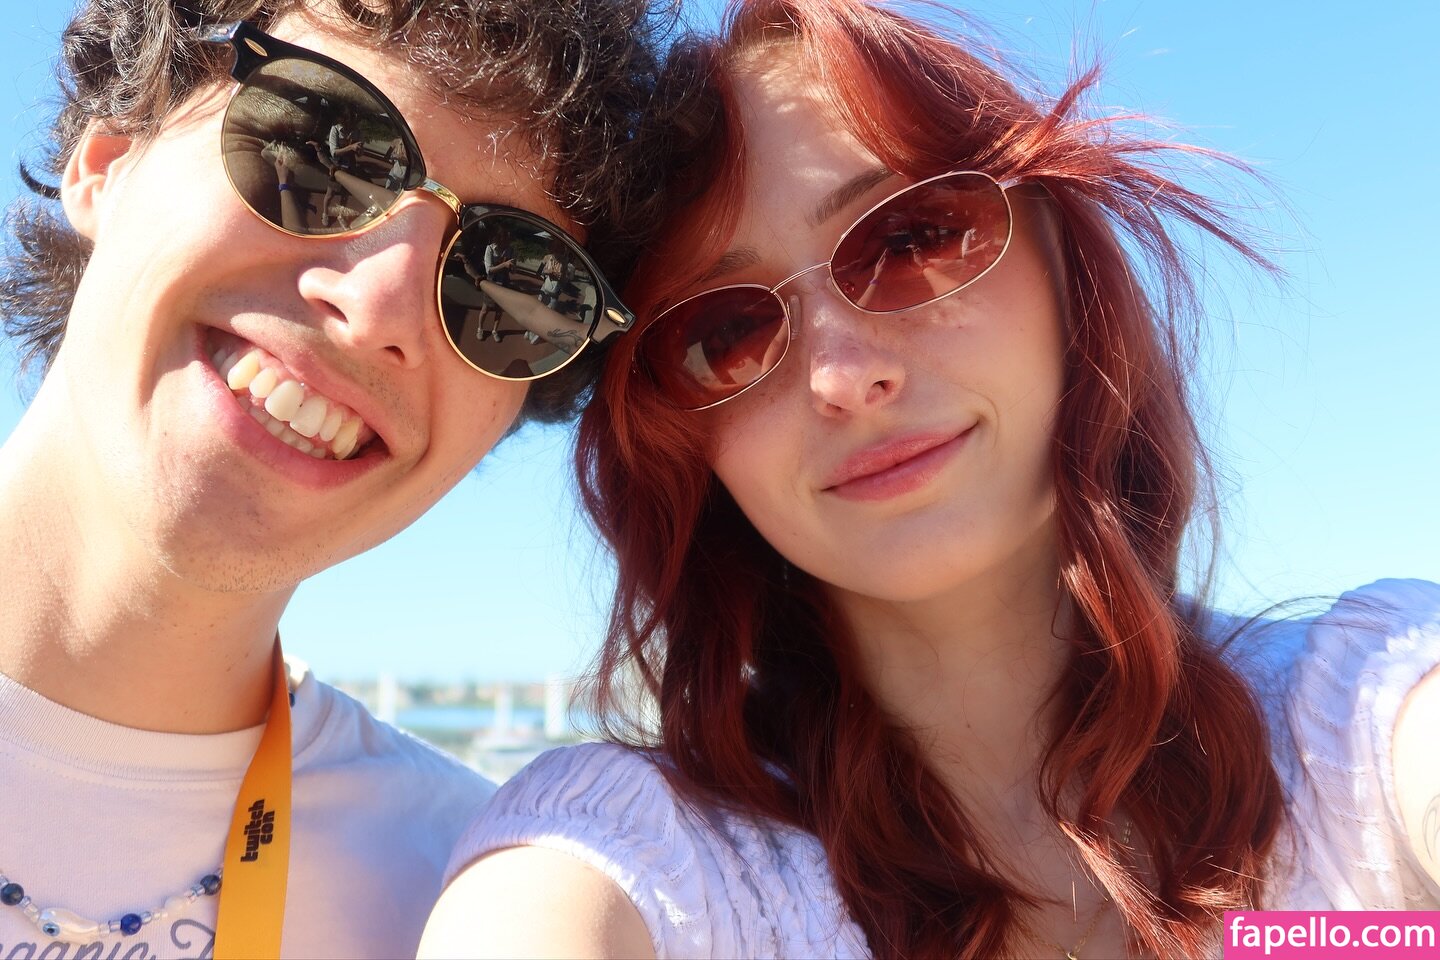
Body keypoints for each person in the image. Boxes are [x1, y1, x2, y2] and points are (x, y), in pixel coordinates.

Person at [422, 1, 1440, 958]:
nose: (844, 377)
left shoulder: (1368, 722)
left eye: (911, 240)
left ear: (1062, 257)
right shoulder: (628, 863)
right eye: (724, 335)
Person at [0, 0, 665, 956]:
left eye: (515, 286)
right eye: (317, 154)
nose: (378, 305)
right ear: (104, 162)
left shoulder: (472, 898)